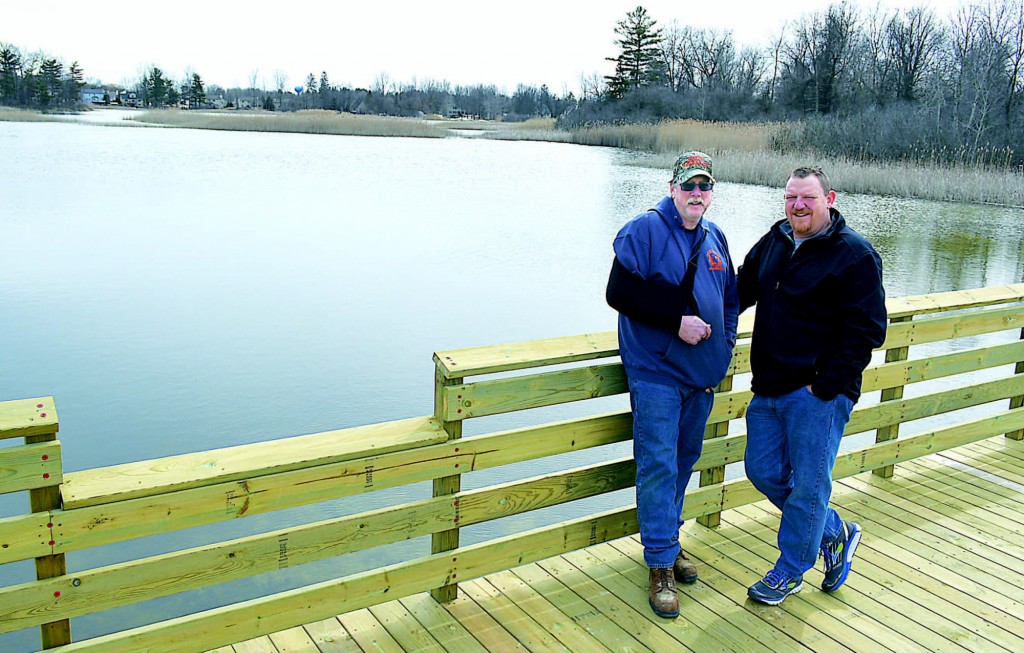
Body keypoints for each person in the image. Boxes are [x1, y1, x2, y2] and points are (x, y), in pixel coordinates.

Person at [736, 166, 887, 605]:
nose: (798, 205)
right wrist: (680, 312)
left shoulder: (854, 255)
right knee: (762, 472)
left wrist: (824, 386)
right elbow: (739, 289)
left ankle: (790, 571)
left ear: (830, 199)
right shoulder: (776, 240)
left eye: (807, 197)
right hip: (768, 387)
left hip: (817, 394)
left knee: (808, 486)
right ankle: (835, 530)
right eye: (790, 197)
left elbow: (868, 331)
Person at [606, 151, 739, 618]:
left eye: (704, 187)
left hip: (700, 377)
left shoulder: (715, 237)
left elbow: (729, 304)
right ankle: (660, 562)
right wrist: (676, 321)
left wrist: (725, 347)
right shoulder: (644, 230)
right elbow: (618, 293)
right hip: (656, 373)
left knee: (684, 459)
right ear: (672, 189)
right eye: (688, 186)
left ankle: (670, 539)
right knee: (659, 465)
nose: (696, 194)